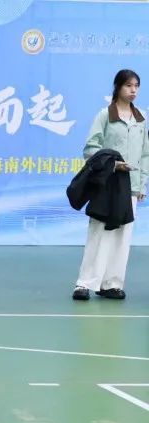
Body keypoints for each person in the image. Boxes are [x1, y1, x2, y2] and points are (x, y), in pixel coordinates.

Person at [73, 69, 148, 301]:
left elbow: (145, 153)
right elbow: (91, 148)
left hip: (131, 186)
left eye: (136, 86)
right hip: (106, 183)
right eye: (128, 85)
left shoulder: (142, 118)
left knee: (122, 236)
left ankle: (112, 284)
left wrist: (142, 184)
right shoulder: (105, 115)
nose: (133, 90)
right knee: (99, 232)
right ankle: (84, 284)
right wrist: (113, 165)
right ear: (117, 87)